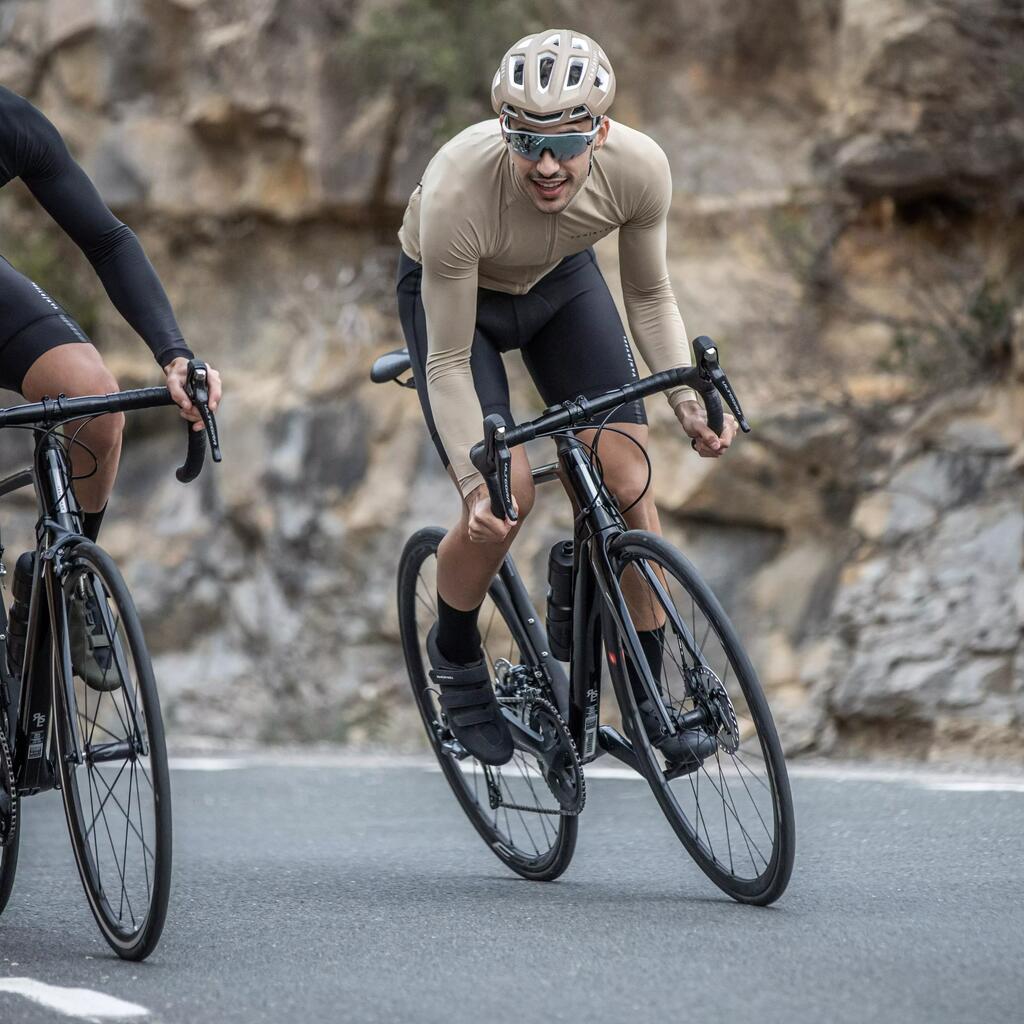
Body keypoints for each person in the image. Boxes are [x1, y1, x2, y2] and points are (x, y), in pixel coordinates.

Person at [396, 29, 739, 767]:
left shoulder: (641, 168)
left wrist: (685, 396)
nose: (547, 165)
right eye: (526, 143)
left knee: (628, 477)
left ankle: (649, 691)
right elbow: (449, 359)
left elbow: (650, 296)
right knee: (504, 498)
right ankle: (454, 652)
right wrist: (473, 476)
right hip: (462, 307)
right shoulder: (459, 184)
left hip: (558, 281)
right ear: (503, 130)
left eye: (567, 143)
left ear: (601, 131)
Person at [0, 85, 222, 685]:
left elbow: (107, 239)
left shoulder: (10, 120)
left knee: (95, 400)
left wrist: (175, 355)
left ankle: (66, 580)